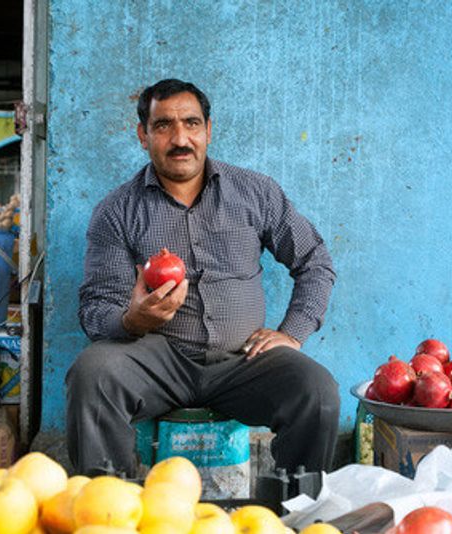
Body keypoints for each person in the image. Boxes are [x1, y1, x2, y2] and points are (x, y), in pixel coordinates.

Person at [66, 78, 339, 477]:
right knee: (92, 374)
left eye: (191, 123)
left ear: (208, 130)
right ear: (143, 135)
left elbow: (315, 262)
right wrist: (132, 320)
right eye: (163, 126)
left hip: (245, 361)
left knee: (318, 392)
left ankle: (299, 511)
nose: (180, 138)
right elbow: (95, 308)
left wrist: (292, 332)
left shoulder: (255, 192)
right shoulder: (117, 211)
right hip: (157, 360)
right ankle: (110, 509)